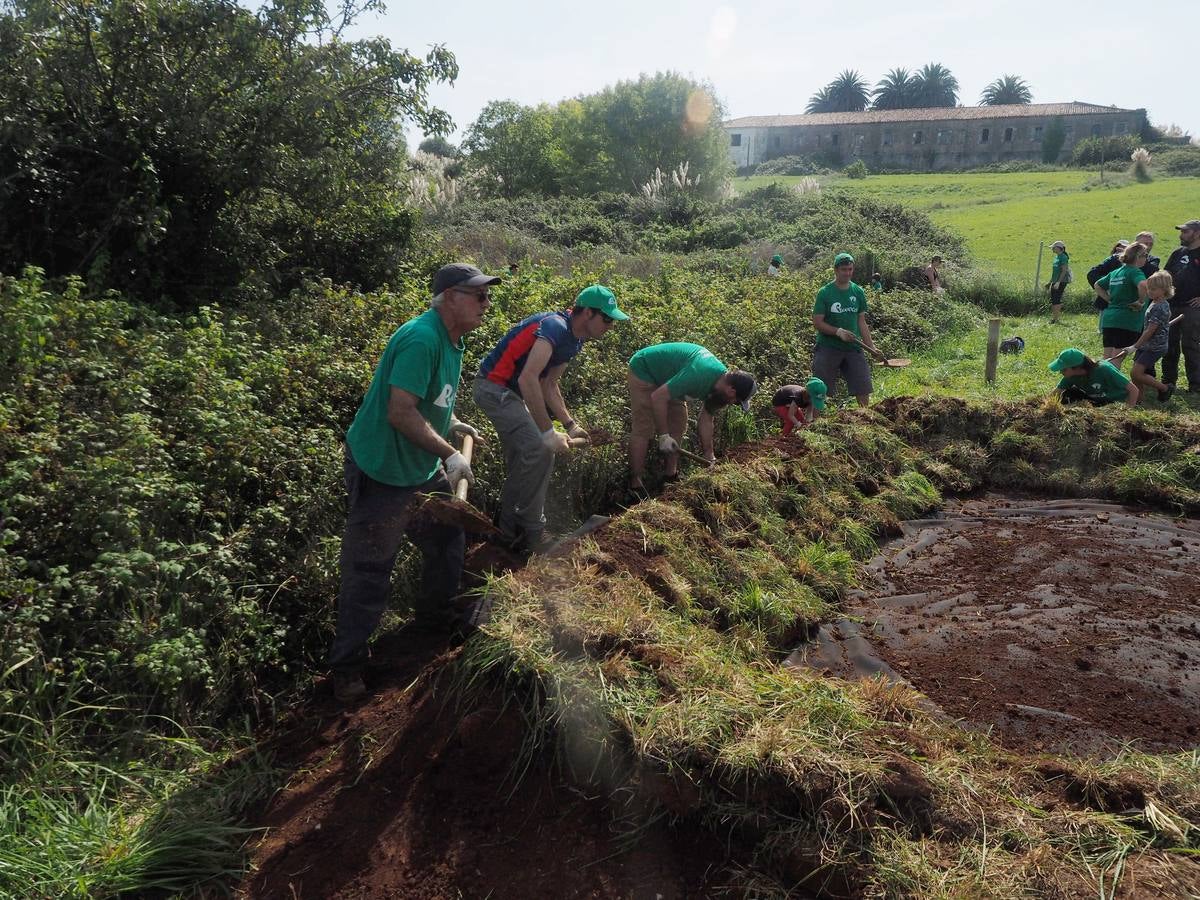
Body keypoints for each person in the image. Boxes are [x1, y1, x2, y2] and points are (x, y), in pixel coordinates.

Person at [328, 262, 500, 703]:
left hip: (420, 469)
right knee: (369, 570)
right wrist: (448, 454)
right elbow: (400, 411)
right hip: (383, 469)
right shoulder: (422, 339)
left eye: (487, 295)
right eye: (478, 295)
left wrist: (452, 421)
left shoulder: (452, 340)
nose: (486, 303)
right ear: (449, 298)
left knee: (447, 540)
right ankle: (346, 669)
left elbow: (429, 397)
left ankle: (430, 626)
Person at [473, 284, 629, 553]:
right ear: (588, 313)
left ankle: (506, 533)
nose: (609, 326)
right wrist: (547, 432)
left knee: (523, 462)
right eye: (606, 318)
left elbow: (549, 384)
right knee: (540, 449)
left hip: (512, 394)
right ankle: (533, 530)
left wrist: (570, 425)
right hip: (494, 388)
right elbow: (528, 378)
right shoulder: (555, 326)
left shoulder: (575, 339)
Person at [626, 343, 756, 492]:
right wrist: (663, 436)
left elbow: (706, 419)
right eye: (736, 402)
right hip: (645, 370)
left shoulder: (719, 393)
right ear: (732, 391)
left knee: (678, 423)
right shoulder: (700, 373)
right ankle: (635, 485)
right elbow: (658, 397)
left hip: (671, 379)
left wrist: (709, 455)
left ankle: (670, 476)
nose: (733, 404)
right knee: (644, 427)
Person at [812, 252, 879, 408]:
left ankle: (866, 421)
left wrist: (872, 347)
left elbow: (861, 322)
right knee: (820, 388)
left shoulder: (858, 292)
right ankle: (813, 423)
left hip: (853, 347)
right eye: (844, 269)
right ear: (836, 270)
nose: (847, 273)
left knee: (863, 386)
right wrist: (838, 332)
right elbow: (817, 322)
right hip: (828, 347)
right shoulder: (825, 293)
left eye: (850, 269)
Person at [1121, 272, 1176, 403]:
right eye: (1148, 288)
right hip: (1146, 345)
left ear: (1164, 290)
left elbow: (1150, 331)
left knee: (1136, 373)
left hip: (1155, 347)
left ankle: (1165, 388)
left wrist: (1135, 346)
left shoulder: (1160, 306)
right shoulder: (1155, 302)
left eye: (1153, 289)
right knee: (1135, 375)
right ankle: (1139, 400)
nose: (1149, 291)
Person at [1094, 242, 1150, 369]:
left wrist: (1109, 299)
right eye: (1145, 255)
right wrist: (1141, 302)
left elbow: (1097, 285)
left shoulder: (1116, 272)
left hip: (1109, 319)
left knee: (1107, 358)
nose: (1147, 258)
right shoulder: (1135, 272)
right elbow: (1143, 285)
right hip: (1126, 321)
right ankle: (1112, 386)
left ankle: (1101, 384)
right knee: (1116, 360)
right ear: (1137, 257)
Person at [1162, 219, 1200, 392]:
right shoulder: (1177, 253)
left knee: (1190, 344)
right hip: (1171, 304)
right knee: (1169, 344)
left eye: (1185, 231)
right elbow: (1166, 274)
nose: (1181, 234)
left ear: (1197, 233)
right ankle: (1168, 381)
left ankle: (1196, 384)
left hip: (1192, 307)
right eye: (1181, 231)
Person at [1048, 348, 1138, 407]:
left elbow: (1134, 390)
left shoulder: (1104, 369)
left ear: (1077, 368)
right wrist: (1042, 405)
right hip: (1095, 399)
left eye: (1063, 369)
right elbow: (1056, 392)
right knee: (1067, 395)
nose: (1060, 372)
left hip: (1114, 401)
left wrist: (1128, 411)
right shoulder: (1071, 376)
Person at [1087, 239, 1129, 312]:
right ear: (1117, 248)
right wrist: (1106, 288)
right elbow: (1092, 274)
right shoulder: (1113, 259)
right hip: (1108, 303)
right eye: (1121, 247)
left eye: (1125, 247)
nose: (1123, 249)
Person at [1045, 240, 1071, 323]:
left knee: (1056, 299)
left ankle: (1056, 319)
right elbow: (1055, 272)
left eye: (1053, 247)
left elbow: (1064, 271)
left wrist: (1058, 282)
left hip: (1061, 281)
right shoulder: (1057, 257)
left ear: (1059, 248)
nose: (1052, 249)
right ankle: (1054, 318)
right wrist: (1050, 282)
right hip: (1055, 281)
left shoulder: (1063, 257)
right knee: (1053, 299)